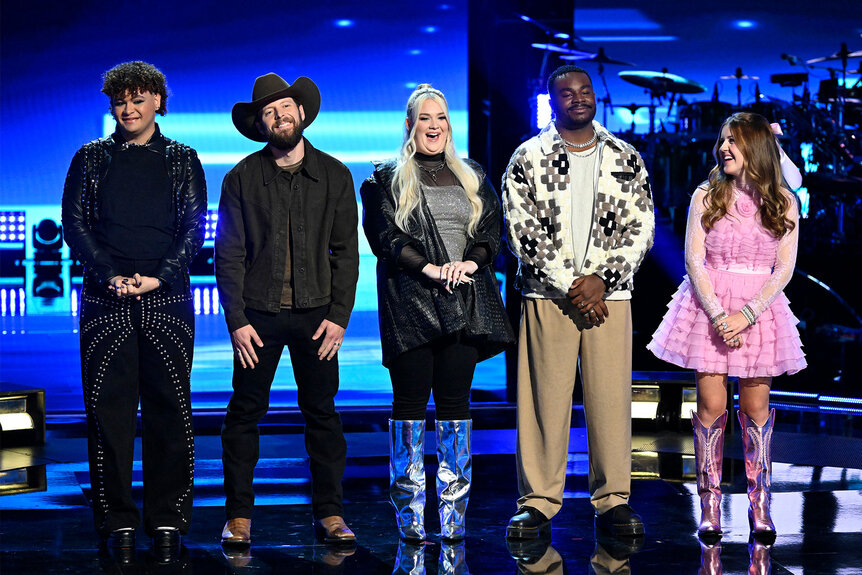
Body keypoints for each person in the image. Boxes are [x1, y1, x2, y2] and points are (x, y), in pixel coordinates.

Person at [502, 65, 655, 540]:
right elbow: (521, 231)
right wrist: (575, 284)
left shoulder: (625, 156)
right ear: (552, 103)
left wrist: (601, 281)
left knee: (610, 400)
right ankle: (539, 502)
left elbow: (642, 226)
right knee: (544, 400)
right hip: (549, 296)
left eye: (584, 90)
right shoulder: (528, 157)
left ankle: (613, 500)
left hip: (610, 296)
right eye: (565, 94)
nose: (578, 98)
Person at [61, 61, 207, 550]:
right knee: (109, 412)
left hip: (166, 297)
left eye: (138, 99)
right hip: (107, 298)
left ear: (158, 103)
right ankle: (117, 518)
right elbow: (74, 225)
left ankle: (168, 518)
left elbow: (193, 230)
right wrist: (111, 276)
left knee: (171, 410)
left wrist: (159, 277)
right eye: (120, 100)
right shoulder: (90, 157)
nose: (128, 108)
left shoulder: (183, 160)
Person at [360, 84, 514, 542]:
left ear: (450, 124)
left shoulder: (472, 174)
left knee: (455, 407)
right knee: (408, 407)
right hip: (412, 304)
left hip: (463, 301)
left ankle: (452, 519)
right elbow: (385, 238)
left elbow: (491, 229)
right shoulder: (384, 179)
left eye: (441, 117)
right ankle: (409, 517)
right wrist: (429, 267)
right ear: (410, 125)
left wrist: (471, 261)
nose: (434, 126)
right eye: (425, 118)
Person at [215, 73, 360, 547]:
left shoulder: (335, 174)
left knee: (322, 413)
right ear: (261, 124)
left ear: (301, 113)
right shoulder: (240, 178)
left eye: (285, 108)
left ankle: (331, 514)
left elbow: (346, 252)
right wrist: (236, 321)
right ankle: (239, 517)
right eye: (269, 113)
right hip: (257, 316)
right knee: (244, 414)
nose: (279, 117)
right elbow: (229, 254)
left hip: (317, 316)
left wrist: (339, 316)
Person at [648, 112, 806, 541]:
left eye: (734, 141)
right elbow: (692, 260)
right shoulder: (706, 195)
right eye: (722, 140)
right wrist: (720, 316)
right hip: (709, 306)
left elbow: (785, 267)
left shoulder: (784, 201)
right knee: (710, 407)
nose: (724, 148)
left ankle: (760, 504)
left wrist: (747, 314)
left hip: (759, 309)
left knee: (756, 410)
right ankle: (711, 505)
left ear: (755, 147)